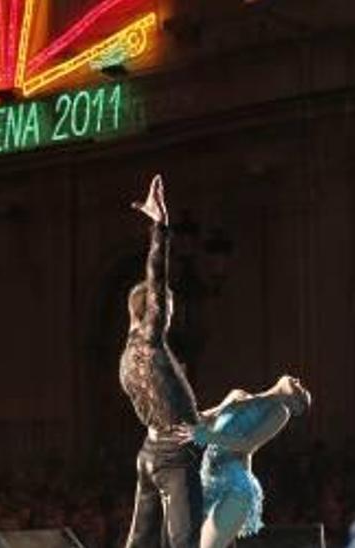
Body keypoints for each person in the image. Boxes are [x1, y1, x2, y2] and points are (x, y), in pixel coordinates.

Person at [120, 175, 205, 548]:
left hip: (149, 453)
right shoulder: (149, 341)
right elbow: (157, 278)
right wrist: (160, 227)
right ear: (150, 313)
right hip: (174, 457)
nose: (169, 315)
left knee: (140, 542)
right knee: (184, 542)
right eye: (166, 309)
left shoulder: (127, 356)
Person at [174, 375, 312, 548]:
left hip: (235, 487)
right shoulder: (237, 394)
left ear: (296, 406)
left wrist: (206, 436)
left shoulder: (280, 411)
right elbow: (203, 418)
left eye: (302, 392)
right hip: (207, 481)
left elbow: (249, 445)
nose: (298, 380)